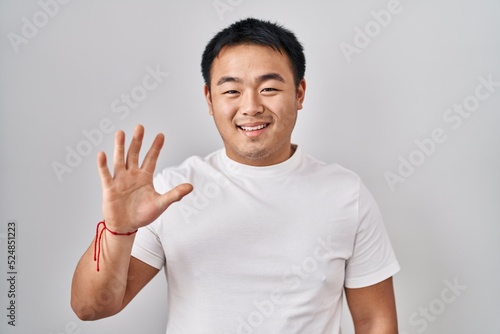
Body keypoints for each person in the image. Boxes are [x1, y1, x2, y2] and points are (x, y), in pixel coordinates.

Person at [71, 18, 400, 333]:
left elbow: (375, 322)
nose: (251, 107)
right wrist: (118, 231)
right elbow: (90, 308)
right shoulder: (169, 193)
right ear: (209, 100)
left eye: (269, 88)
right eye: (231, 91)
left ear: (299, 93)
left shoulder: (346, 194)